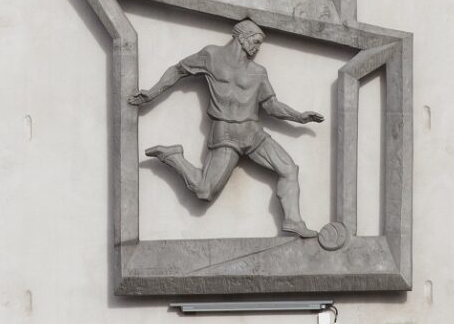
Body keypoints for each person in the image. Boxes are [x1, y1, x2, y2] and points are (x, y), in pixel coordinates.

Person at [130, 18, 324, 239]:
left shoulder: (258, 72)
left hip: (253, 134)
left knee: (289, 169)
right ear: (242, 36)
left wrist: (300, 117)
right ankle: (174, 156)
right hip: (225, 135)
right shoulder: (211, 56)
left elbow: (271, 105)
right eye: (256, 41)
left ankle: (293, 221)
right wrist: (152, 93)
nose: (257, 47)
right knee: (204, 191)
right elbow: (177, 71)